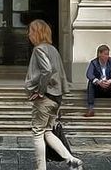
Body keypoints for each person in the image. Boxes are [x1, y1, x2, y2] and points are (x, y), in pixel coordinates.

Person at [24, 19, 80, 170]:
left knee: (37, 133)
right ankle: (71, 160)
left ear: (37, 32)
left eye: (30, 31)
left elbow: (47, 70)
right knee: (47, 131)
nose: (28, 34)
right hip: (56, 98)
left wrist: (39, 91)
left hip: (46, 97)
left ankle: (41, 168)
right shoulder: (53, 49)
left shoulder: (39, 49)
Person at [84, 44, 111, 117]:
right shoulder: (94, 62)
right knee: (91, 83)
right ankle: (90, 108)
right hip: (98, 89)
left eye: (108, 54)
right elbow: (89, 74)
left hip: (109, 89)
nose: (107, 56)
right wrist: (98, 82)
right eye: (105, 54)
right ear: (99, 54)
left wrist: (110, 81)